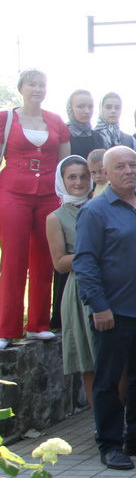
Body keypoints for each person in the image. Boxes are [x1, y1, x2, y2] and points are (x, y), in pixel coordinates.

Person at [74, 146, 136, 469]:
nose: (129, 171)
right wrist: (98, 305)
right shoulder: (94, 211)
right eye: (120, 167)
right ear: (105, 173)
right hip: (113, 312)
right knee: (108, 380)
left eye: (134, 165)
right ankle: (109, 443)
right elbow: (85, 263)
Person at [0, 69, 70, 347]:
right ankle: (7, 329)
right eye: (32, 84)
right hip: (12, 193)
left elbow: (66, 165)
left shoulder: (56, 121)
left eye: (42, 84)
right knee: (14, 259)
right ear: (21, 88)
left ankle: (38, 324)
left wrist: (67, 195)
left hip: (48, 196)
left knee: (45, 257)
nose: (37, 89)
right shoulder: (6, 119)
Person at [47, 156, 94, 403]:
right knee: (90, 361)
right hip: (80, 291)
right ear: (62, 180)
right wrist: (91, 254)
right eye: (72, 177)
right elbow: (60, 263)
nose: (78, 182)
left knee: (118, 360)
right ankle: (103, 425)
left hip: (114, 286)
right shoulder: (56, 217)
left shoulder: (101, 205)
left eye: (84, 176)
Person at [66, 90, 104, 158]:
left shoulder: (99, 138)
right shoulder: (62, 135)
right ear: (70, 108)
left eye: (90, 107)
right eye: (81, 106)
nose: (87, 111)